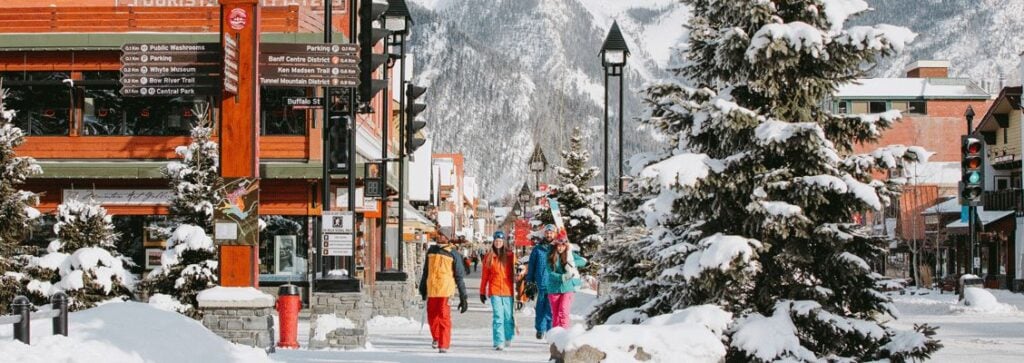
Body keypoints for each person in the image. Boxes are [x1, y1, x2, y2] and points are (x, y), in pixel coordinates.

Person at [418, 233, 469, 353]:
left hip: (446, 290)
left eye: (442, 235)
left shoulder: (453, 253)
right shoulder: (431, 251)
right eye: (439, 235)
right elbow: (426, 271)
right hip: (432, 289)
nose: (439, 237)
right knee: (432, 317)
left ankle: (444, 344)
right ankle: (436, 337)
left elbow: (459, 276)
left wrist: (463, 297)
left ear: (447, 238)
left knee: (443, 317)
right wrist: (422, 287)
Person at [479, 231, 517, 350]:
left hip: (508, 290)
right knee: (498, 316)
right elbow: (485, 275)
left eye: (500, 241)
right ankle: (498, 341)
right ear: (493, 242)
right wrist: (482, 291)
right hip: (495, 290)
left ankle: (508, 337)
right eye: (496, 241)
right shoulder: (489, 256)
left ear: (504, 242)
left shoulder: (511, 256)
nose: (498, 243)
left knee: (508, 316)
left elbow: (518, 271)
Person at [546, 236, 586, 330]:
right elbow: (550, 272)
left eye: (562, 246)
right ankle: (555, 336)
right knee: (555, 313)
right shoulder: (550, 255)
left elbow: (583, 261)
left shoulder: (569, 254)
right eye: (558, 246)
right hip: (553, 288)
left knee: (563, 311)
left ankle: (564, 333)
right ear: (555, 246)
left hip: (567, 287)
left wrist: (572, 263)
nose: (560, 248)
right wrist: (562, 277)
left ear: (566, 246)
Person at [525, 224, 557, 339]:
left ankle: (550, 332)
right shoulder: (538, 249)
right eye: (547, 232)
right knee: (540, 309)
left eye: (551, 232)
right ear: (545, 234)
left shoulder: (557, 248)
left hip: (553, 284)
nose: (549, 234)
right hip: (540, 283)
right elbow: (532, 266)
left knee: (550, 310)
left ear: (554, 234)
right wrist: (529, 281)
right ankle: (540, 329)